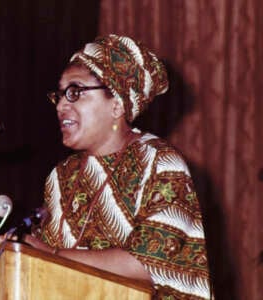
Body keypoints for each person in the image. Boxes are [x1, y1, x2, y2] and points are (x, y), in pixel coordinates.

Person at [23, 34, 211, 299]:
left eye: (75, 92)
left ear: (117, 104)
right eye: (60, 95)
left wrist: (51, 254)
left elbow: (146, 263)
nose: (61, 105)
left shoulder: (160, 162)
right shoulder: (61, 177)